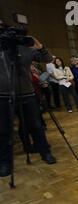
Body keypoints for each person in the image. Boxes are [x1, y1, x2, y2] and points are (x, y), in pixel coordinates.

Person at [0, 30, 57, 177]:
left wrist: (40, 47)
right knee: (4, 130)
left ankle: (45, 152)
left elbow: (48, 58)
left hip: (27, 93)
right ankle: (5, 162)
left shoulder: (24, 48)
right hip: (4, 96)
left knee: (36, 126)